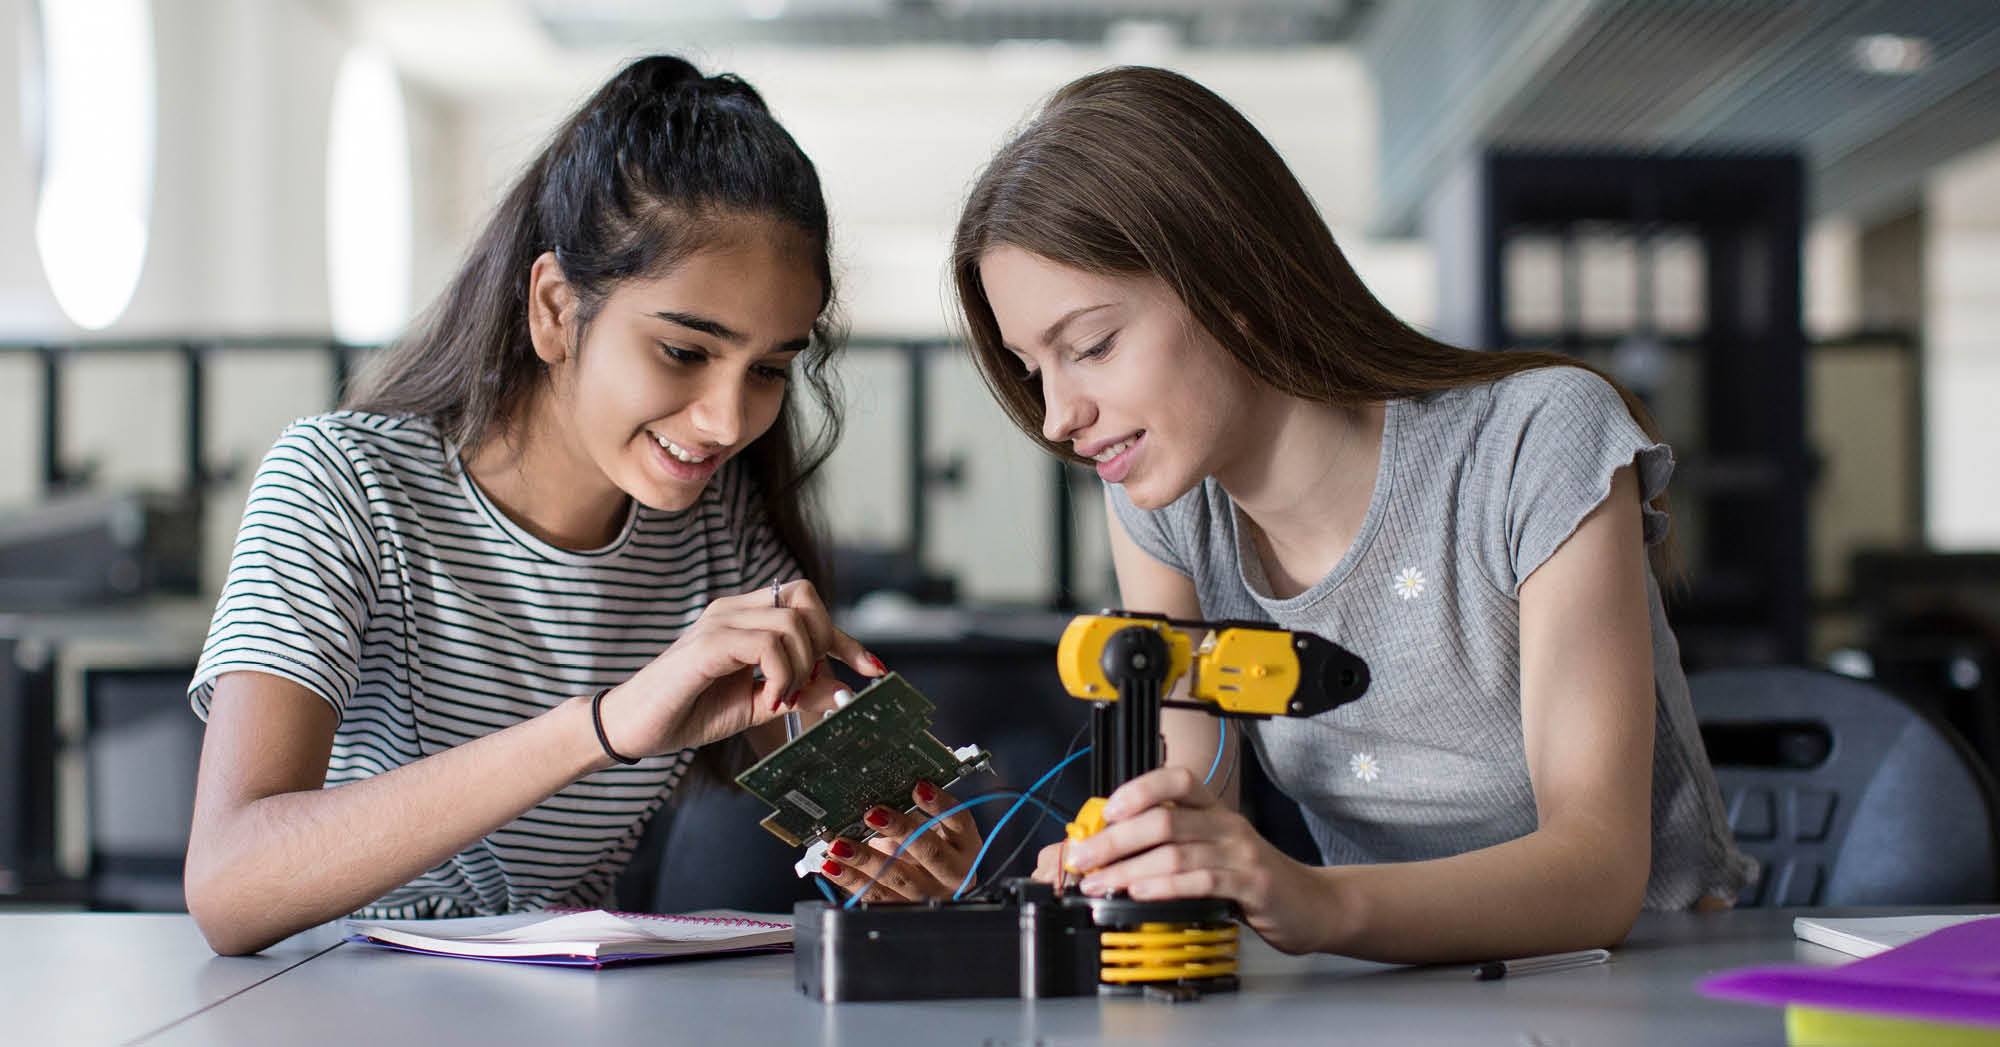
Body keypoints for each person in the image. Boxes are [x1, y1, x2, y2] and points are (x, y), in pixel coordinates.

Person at [949, 66, 1755, 963]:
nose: (1058, 417)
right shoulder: (1166, 507)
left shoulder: (1534, 440)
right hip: (1385, 992)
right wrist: (1133, 862)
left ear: (1235, 281)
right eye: (1033, 370)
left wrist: (1313, 901)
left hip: (1648, 980)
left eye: (1091, 346)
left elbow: (1598, 872)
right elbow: (1195, 800)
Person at [183, 55, 976, 956]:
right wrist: (606, 724)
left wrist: (909, 845)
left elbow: (879, 838)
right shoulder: (340, 484)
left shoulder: (720, 537)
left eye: (767, 369)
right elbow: (226, 886)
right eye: (684, 351)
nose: (727, 419)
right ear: (557, 308)